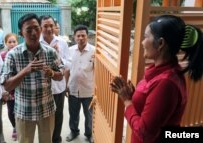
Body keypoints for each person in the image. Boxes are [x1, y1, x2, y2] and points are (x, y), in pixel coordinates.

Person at [110, 15, 203, 143]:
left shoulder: (166, 83)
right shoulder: (161, 72)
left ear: (160, 43)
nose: (142, 43)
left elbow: (145, 133)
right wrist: (134, 96)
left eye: (145, 37)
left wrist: (127, 101)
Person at [0, 13, 63, 143]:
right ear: (21, 33)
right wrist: (25, 71)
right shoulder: (12, 55)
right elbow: (6, 85)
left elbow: (60, 75)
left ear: (40, 29)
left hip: (47, 109)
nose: (34, 33)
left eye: (36, 28)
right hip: (24, 111)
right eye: (29, 30)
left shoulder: (50, 52)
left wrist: (51, 72)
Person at [39, 15, 70, 143]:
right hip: (42, 88)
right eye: (45, 26)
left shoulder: (61, 42)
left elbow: (68, 64)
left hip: (58, 88)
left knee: (58, 116)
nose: (49, 29)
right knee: (44, 118)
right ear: (40, 28)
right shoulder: (36, 43)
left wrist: (57, 55)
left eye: (51, 25)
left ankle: (56, 139)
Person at [66, 25, 95, 143]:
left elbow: (97, 70)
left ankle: (89, 134)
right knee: (73, 113)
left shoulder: (94, 51)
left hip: (88, 89)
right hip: (73, 88)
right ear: (74, 37)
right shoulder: (70, 51)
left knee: (89, 115)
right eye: (78, 36)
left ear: (87, 36)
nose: (81, 38)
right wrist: (65, 85)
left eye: (83, 35)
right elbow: (67, 69)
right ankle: (74, 131)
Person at [0, 33, 18, 141]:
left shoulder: (21, 54)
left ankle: (20, 127)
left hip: (20, 88)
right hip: (9, 89)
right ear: (6, 43)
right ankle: (15, 127)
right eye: (9, 42)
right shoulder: (2, 56)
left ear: (17, 42)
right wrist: (3, 90)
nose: (12, 44)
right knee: (11, 111)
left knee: (21, 110)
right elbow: (0, 73)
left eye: (14, 41)